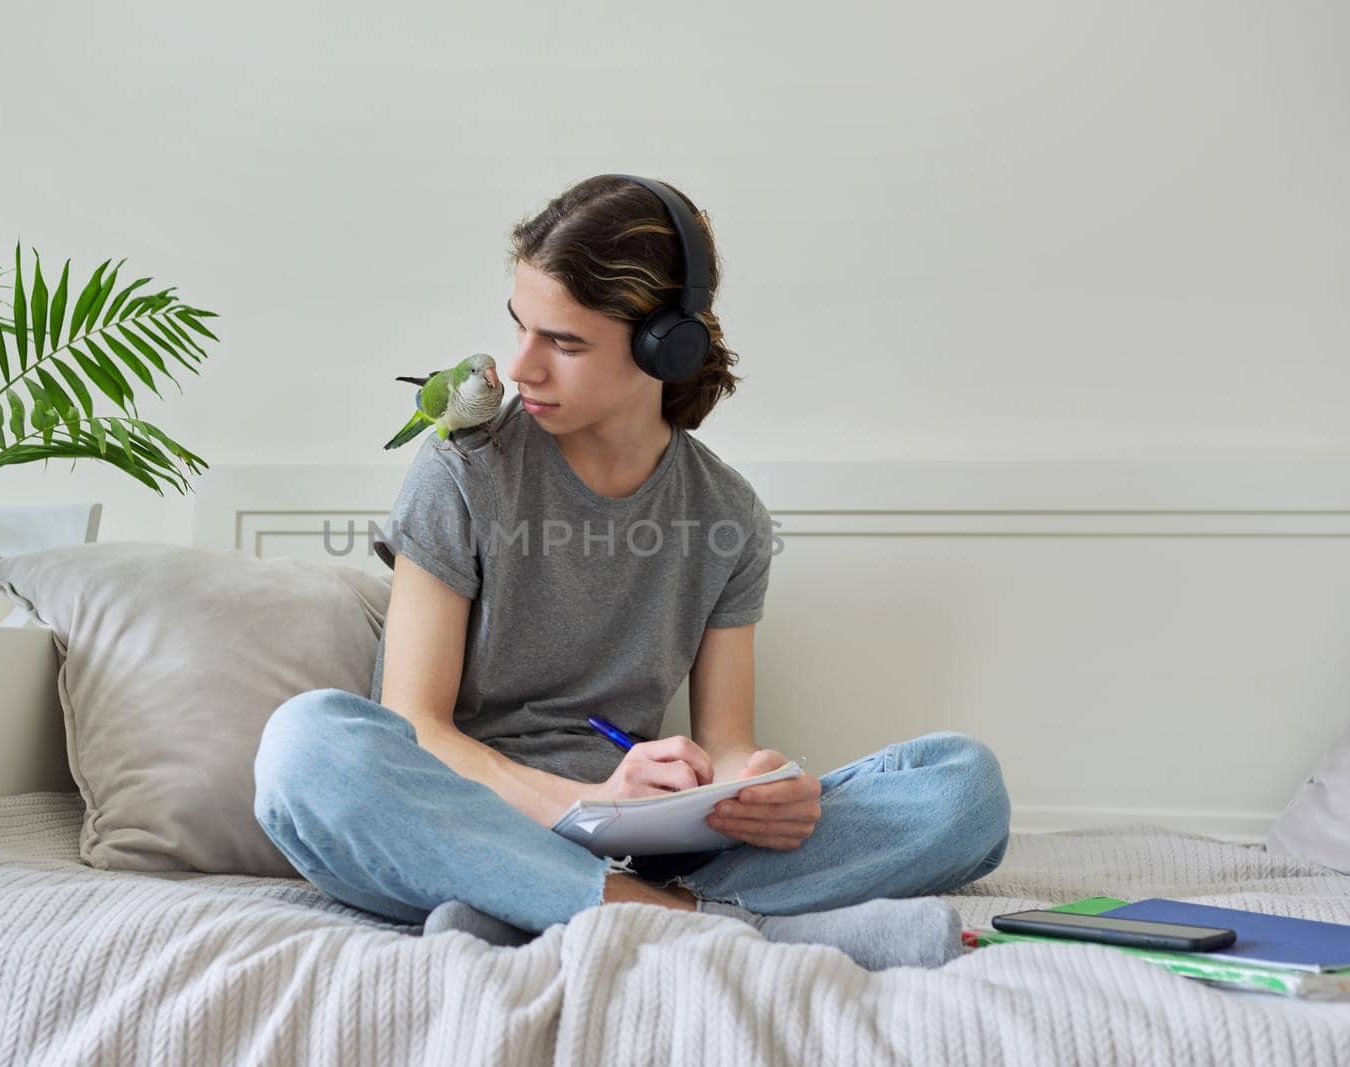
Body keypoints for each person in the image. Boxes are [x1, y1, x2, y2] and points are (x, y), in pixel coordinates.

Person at [253, 175, 1010, 969]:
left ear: (664, 347)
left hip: (644, 842)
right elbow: (419, 730)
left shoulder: (728, 513)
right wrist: (581, 802)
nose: (520, 368)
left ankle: (549, 912)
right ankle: (704, 923)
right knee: (307, 746)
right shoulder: (461, 469)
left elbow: (723, 741)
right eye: (521, 328)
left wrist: (751, 788)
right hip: (469, 820)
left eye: (565, 342)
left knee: (965, 786)